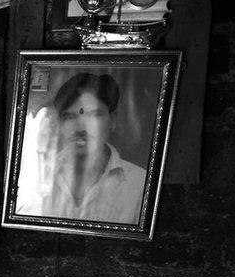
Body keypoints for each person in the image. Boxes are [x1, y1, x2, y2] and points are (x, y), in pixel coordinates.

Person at [16, 72, 147, 224]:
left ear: (112, 120)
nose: (81, 127)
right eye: (70, 117)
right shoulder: (34, 178)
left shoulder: (139, 184)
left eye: (94, 115)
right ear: (59, 123)